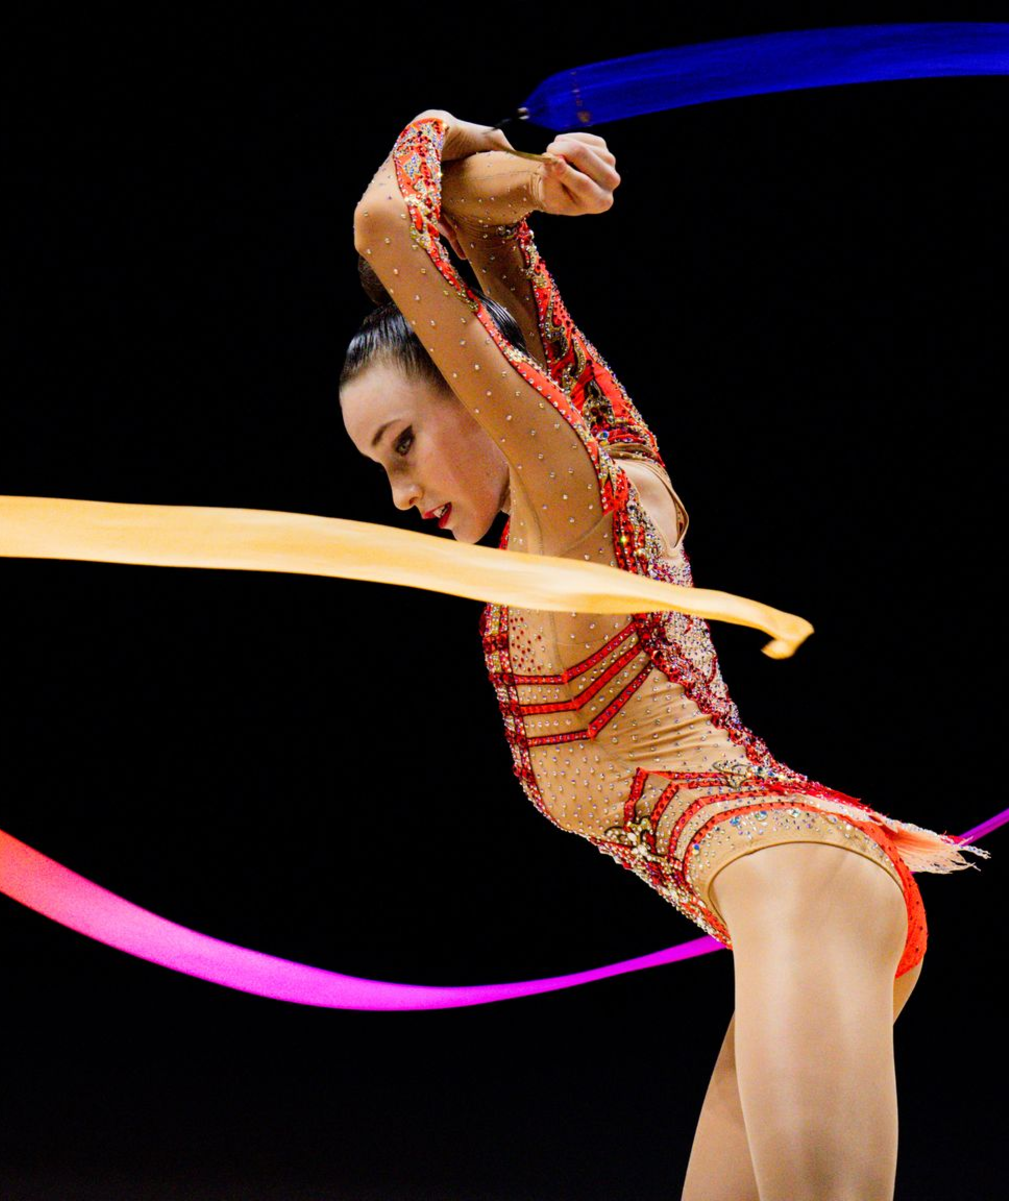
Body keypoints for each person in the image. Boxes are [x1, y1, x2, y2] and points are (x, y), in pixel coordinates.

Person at [339, 110, 983, 1201]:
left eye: (403, 443)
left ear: (476, 378)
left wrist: (455, 133)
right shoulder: (593, 466)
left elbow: (382, 225)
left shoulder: (574, 494)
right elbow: (486, 242)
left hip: (794, 884)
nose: (400, 494)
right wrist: (531, 181)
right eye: (378, 467)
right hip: (786, 896)